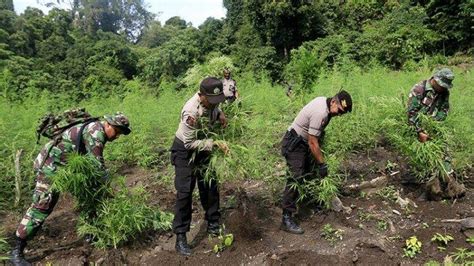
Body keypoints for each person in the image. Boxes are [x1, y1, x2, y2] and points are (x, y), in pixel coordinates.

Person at [11, 112, 131, 266]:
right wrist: (111, 188)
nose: (117, 137)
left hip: (70, 168)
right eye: (117, 132)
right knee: (42, 206)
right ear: (108, 124)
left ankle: (91, 232)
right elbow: (97, 167)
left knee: (89, 195)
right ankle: (16, 251)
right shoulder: (96, 132)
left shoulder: (97, 129)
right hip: (51, 166)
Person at [170, 77, 229, 256]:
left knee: (210, 185)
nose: (214, 104)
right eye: (211, 100)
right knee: (185, 192)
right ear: (201, 95)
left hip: (203, 145)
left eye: (217, 101)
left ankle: (213, 223)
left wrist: (220, 114)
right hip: (185, 150)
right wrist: (215, 143)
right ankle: (181, 236)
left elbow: (216, 107)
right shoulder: (191, 111)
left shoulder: (212, 103)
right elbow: (189, 143)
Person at [280, 90, 352, 234]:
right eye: (339, 110)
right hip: (295, 144)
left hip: (303, 143)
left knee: (307, 173)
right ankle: (286, 218)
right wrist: (322, 164)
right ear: (333, 102)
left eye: (342, 113)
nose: (339, 114)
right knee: (296, 178)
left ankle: (306, 204)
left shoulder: (325, 104)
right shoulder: (321, 112)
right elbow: (313, 142)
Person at [407, 67, 465, 200]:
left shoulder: (444, 92)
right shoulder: (419, 90)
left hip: (434, 127)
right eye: (441, 85)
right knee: (428, 156)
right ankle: (431, 191)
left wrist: (434, 126)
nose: (443, 89)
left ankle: (450, 186)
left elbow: (444, 111)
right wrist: (420, 131)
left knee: (446, 153)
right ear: (435, 80)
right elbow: (412, 114)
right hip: (416, 128)